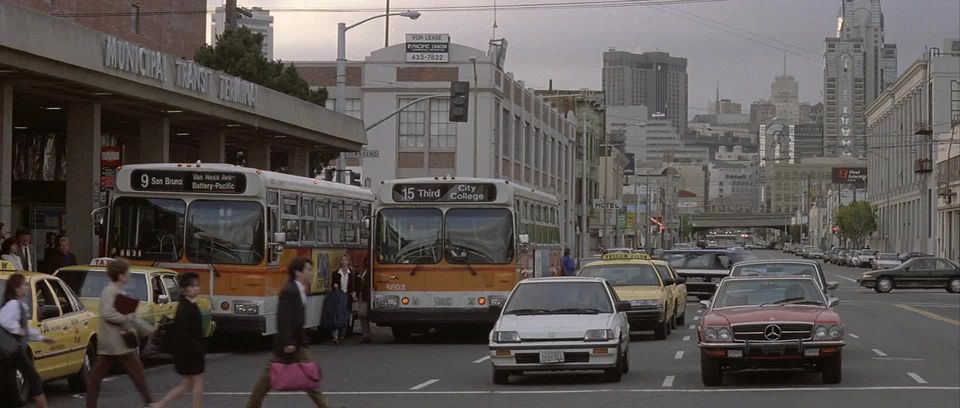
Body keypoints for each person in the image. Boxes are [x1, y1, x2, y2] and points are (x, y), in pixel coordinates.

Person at [246, 257, 331, 408]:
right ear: (298, 273)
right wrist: (288, 342)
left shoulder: (299, 289)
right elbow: (283, 318)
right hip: (290, 343)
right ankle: (253, 404)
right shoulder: (289, 291)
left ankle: (253, 404)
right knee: (272, 376)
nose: (312, 273)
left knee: (309, 377)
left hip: (298, 343)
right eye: (309, 270)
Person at [85, 259, 155, 408]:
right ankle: (150, 403)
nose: (129, 275)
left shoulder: (119, 292)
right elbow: (107, 314)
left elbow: (130, 316)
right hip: (115, 342)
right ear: (121, 276)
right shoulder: (109, 291)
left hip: (119, 341)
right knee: (137, 375)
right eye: (127, 273)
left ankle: (150, 402)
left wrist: (147, 329)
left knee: (97, 378)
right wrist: (125, 318)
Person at [0, 273, 56, 407]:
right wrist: (18, 330)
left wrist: (41, 338)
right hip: (14, 351)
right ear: (16, 288)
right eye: (24, 285)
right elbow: (3, 320)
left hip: (10, 352)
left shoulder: (18, 304)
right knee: (34, 378)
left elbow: (26, 329)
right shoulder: (13, 304)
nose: (26, 287)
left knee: (7, 386)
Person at [150, 273, 205, 408]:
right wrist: (195, 346)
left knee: (187, 383)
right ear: (184, 289)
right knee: (197, 381)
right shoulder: (185, 307)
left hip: (189, 351)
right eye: (192, 286)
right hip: (189, 352)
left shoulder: (189, 304)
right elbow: (181, 331)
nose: (196, 288)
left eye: (197, 285)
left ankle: (161, 404)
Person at [331, 254, 355, 338]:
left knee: (345, 317)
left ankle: (342, 335)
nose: (343, 261)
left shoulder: (352, 274)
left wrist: (354, 293)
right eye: (342, 260)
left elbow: (354, 286)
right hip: (338, 297)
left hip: (347, 297)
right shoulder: (336, 273)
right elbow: (332, 284)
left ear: (348, 262)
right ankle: (335, 336)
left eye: (345, 260)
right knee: (337, 316)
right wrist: (334, 286)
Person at [355, 255, 372, 343]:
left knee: (363, 315)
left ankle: (366, 335)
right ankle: (366, 334)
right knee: (363, 315)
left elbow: (368, 283)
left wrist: (362, 281)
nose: (366, 263)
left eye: (368, 261)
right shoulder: (363, 271)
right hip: (361, 294)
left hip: (366, 295)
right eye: (365, 261)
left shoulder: (370, 272)